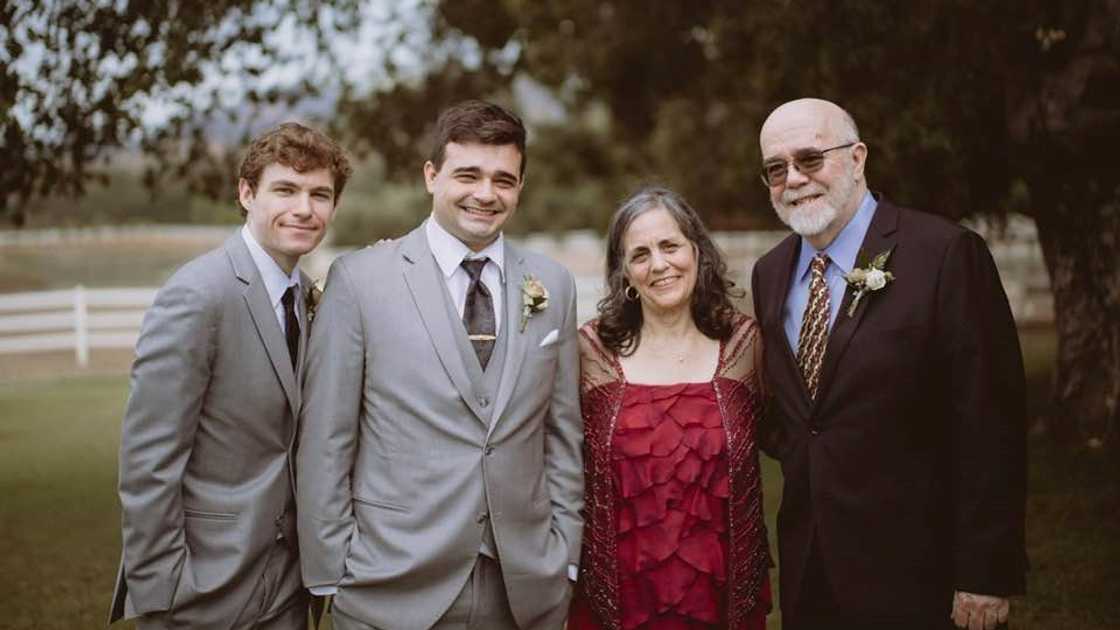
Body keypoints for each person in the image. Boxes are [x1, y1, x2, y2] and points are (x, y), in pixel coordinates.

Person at [295, 100, 584, 630]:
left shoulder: (554, 285)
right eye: (467, 175)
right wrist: (334, 568)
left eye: (504, 179)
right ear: (431, 176)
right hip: (389, 584)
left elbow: (562, 434)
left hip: (524, 588)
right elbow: (326, 438)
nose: (485, 194)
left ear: (520, 185)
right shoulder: (359, 280)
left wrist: (563, 555)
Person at [750, 98, 1027, 630]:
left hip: (922, 575)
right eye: (776, 168)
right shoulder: (771, 273)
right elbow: (799, 419)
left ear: (857, 158)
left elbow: (990, 422)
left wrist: (986, 572)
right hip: (812, 576)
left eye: (810, 158)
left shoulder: (946, 254)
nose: (793, 179)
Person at [110, 122, 352, 628]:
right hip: (202, 589)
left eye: (319, 194)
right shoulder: (198, 294)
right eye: (285, 189)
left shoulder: (309, 296)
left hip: (288, 585)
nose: (304, 209)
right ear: (246, 193)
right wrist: (165, 586)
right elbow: (148, 460)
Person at [568, 186, 772, 630]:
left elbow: (791, 442)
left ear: (697, 252)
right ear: (623, 273)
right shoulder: (589, 354)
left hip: (723, 598)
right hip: (617, 600)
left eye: (670, 246)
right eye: (639, 254)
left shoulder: (745, 347)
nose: (659, 265)